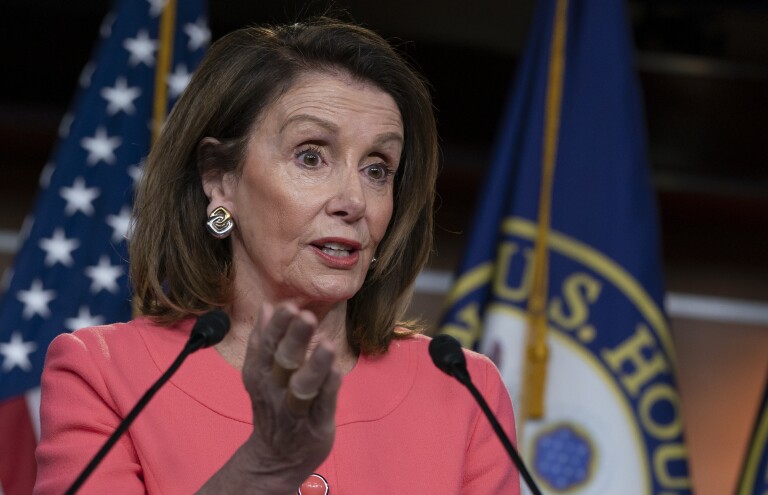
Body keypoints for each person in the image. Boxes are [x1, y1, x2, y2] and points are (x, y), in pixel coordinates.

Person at [35, 18, 519, 494]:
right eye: (311, 156)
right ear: (220, 179)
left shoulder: (462, 388)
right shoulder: (104, 374)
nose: (354, 200)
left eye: (378, 168)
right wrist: (259, 471)